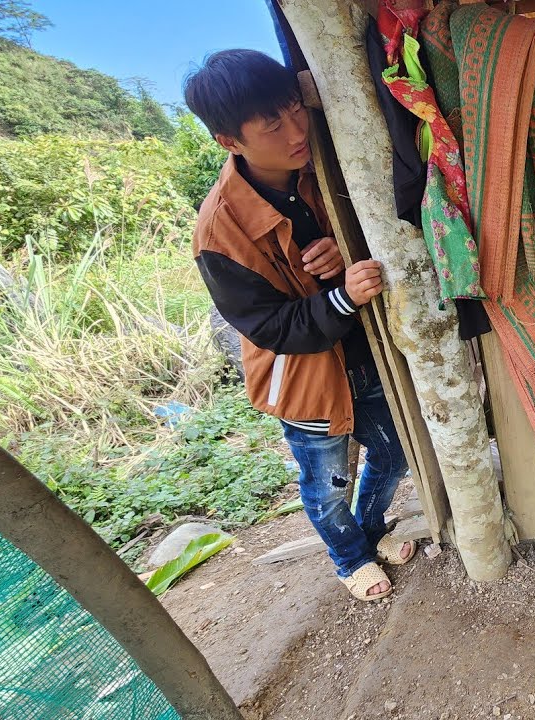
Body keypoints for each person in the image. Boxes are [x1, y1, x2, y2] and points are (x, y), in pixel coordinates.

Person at [185, 50, 414, 602]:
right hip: (303, 378)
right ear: (229, 141)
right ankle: (350, 558)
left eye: (295, 110)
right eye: (272, 126)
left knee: (395, 454)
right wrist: (341, 296)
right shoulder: (218, 232)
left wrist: (343, 247)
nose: (296, 132)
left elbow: (371, 226)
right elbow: (267, 327)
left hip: (364, 355)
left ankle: (371, 530)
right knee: (327, 484)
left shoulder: (323, 167)